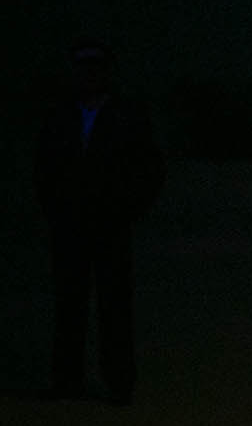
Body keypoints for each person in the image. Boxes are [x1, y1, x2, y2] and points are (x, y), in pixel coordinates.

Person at [35, 38, 164, 404]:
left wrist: (128, 209)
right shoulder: (61, 115)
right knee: (69, 305)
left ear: (106, 73)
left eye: (96, 69)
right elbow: (43, 169)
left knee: (114, 306)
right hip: (70, 226)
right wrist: (55, 210)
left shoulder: (127, 114)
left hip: (111, 226)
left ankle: (119, 383)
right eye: (83, 69)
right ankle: (66, 381)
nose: (89, 76)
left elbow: (150, 169)